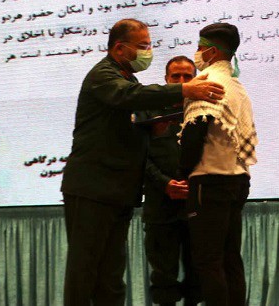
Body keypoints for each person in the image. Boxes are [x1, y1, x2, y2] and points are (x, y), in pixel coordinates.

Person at [61, 18, 225, 306]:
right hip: (92, 191)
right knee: (84, 270)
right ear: (119, 49)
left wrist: (152, 131)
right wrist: (185, 90)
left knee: (111, 274)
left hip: (117, 193)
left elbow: (122, 130)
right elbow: (129, 96)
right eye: (143, 46)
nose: (148, 51)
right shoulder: (104, 75)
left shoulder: (127, 77)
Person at [179, 23, 258, 306]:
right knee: (230, 258)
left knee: (208, 261)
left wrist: (181, 173)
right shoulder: (237, 86)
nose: (197, 53)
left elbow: (194, 133)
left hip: (209, 182)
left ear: (211, 51)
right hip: (237, 181)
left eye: (200, 48)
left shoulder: (206, 82)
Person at [142, 56, 201, 306]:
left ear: (196, 79)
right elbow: (138, 157)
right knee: (163, 278)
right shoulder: (148, 110)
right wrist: (164, 183)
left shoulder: (203, 111)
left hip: (196, 206)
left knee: (198, 277)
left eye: (187, 76)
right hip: (160, 207)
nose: (181, 80)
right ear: (166, 79)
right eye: (175, 76)